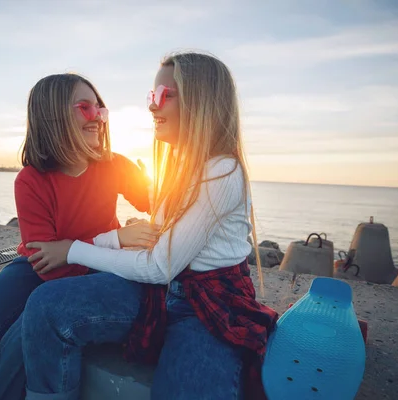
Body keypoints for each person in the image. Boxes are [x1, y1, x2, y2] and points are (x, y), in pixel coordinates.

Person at [21, 52, 279, 400]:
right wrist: (120, 239)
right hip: (160, 291)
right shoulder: (180, 166)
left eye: (162, 95)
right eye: (150, 96)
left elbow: (159, 265)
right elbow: (159, 252)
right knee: (45, 306)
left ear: (200, 101)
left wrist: (73, 249)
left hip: (206, 305)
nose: (152, 107)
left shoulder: (221, 171)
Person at [0, 73, 156, 400]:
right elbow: (50, 268)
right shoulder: (30, 181)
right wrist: (117, 239)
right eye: (85, 108)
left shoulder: (115, 165)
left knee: (11, 363)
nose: (97, 118)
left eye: (100, 110)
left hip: (97, 270)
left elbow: (158, 203)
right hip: (37, 269)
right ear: (53, 116)